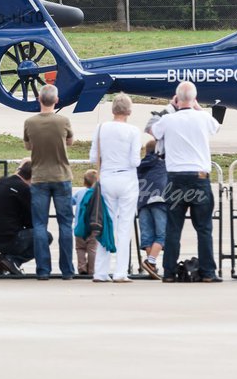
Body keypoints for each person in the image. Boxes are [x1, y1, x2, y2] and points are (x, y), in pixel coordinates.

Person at [152, 81, 221, 283]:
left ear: (176, 98)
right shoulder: (203, 118)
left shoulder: (169, 120)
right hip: (199, 178)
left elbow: (153, 131)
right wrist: (197, 105)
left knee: (173, 228)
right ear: (194, 99)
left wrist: (172, 107)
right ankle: (208, 272)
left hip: (175, 178)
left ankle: (169, 272)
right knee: (204, 228)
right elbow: (216, 127)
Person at [22, 84, 75, 280]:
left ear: (39, 100)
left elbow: (28, 146)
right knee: (65, 225)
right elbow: (70, 141)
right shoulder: (63, 121)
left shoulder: (30, 122)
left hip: (39, 177)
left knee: (39, 225)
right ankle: (67, 270)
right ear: (56, 100)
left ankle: (43, 270)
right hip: (61, 176)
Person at [90, 93, 142, 283]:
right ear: (129, 110)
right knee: (124, 225)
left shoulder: (101, 128)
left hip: (107, 177)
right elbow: (135, 161)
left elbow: (93, 157)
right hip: (126, 178)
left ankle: (100, 272)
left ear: (113, 109)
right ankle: (120, 271)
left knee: (105, 225)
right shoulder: (133, 131)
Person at [0, 160, 49, 275]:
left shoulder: (1, 181)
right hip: (8, 238)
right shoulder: (24, 189)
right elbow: (31, 222)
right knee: (45, 236)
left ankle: (3, 261)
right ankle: (13, 260)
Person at [137, 138, 169, 278]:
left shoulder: (140, 165)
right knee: (162, 234)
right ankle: (151, 261)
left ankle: (152, 267)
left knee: (147, 236)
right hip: (159, 199)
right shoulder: (163, 163)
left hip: (142, 202)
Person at [72, 169, 97, 276]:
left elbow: (71, 201)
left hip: (79, 226)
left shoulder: (80, 192)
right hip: (93, 227)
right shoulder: (98, 194)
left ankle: (81, 267)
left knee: (80, 248)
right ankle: (91, 269)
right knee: (92, 248)